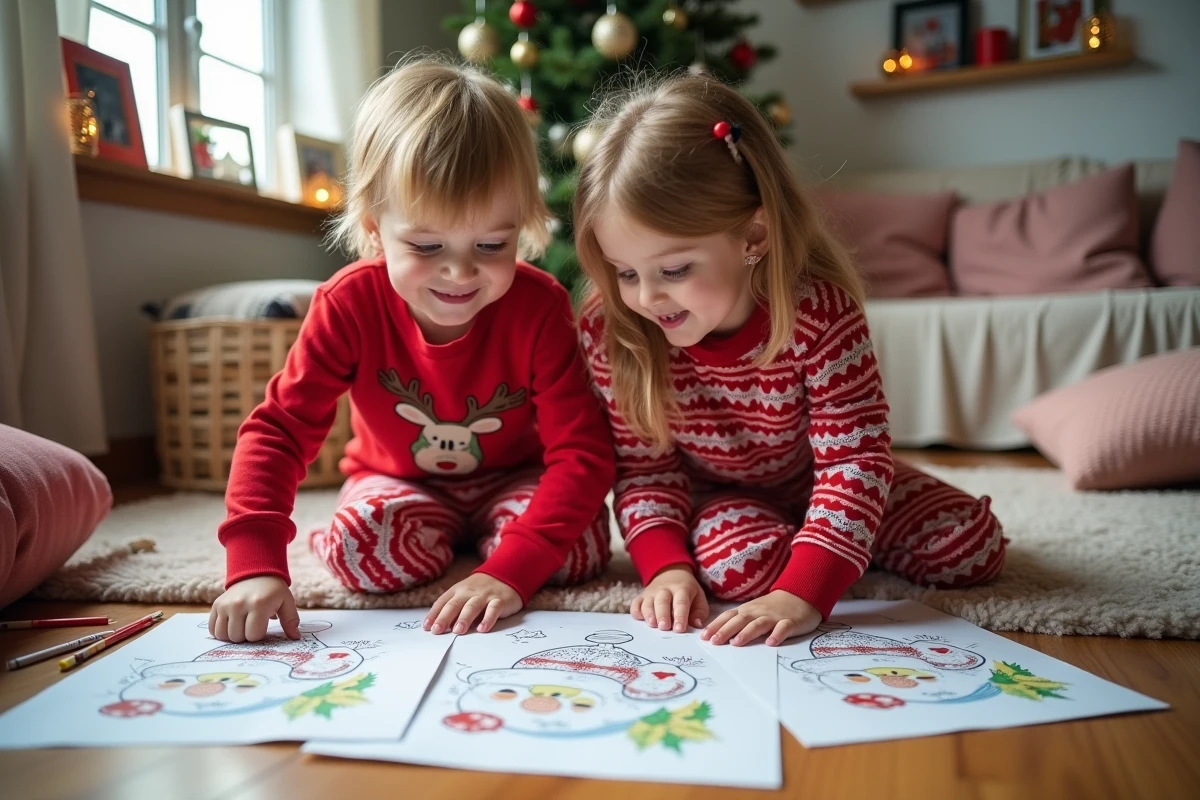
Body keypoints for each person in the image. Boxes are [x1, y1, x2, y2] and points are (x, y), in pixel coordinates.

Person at [574, 73, 1005, 647]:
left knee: (971, 546)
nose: (646, 297)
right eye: (626, 273)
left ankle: (835, 539)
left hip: (824, 478)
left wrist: (806, 589)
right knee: (740, 567)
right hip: (720, 499)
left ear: (754, 234)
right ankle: (836, 543)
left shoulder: (818, 316)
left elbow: (853, 458)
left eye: (674, 270)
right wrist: (667, 569)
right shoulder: (617, 329)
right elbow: (647, 472)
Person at [209, 58, 616, 643]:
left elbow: (582, 453)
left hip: (515, 480)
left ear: (522, 226)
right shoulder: (349, 302)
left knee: (580, 549)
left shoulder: (539, 306)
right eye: (426, 245)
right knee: (359, 548)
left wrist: (510, 571)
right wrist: (253, 562)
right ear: (375, 229)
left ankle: (482, 539)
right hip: (401, 481)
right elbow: (279, 431)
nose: (459, 270)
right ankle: (448, 535)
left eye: (491, 243)